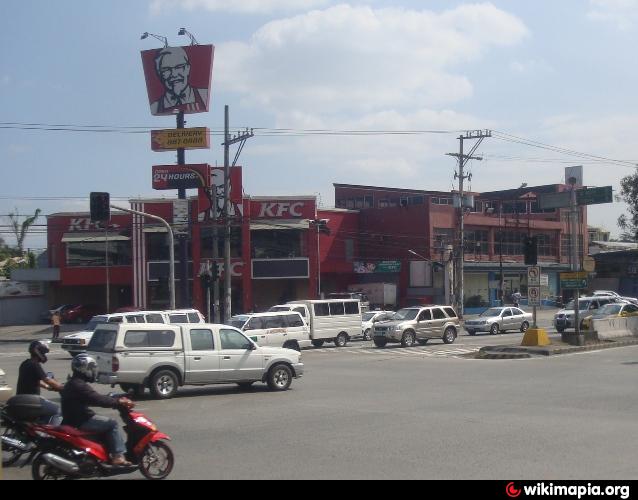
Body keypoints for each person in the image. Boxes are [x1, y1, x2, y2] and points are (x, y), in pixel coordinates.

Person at [60, 354, 135, 466]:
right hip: (81, 420)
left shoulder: (73, 383)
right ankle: (117, 456)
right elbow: (98, 399)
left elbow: (92, 398)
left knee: (102, 421)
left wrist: (113, 399)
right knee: (112, 424)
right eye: (90, 368)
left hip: (73, 418)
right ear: (83, 369)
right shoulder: (80, 385)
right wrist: (118, 402)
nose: (92, 371)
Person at [150, 46, 209, 115]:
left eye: (179, 67)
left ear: (188, 68)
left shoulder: (204, 95)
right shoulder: (155, 107)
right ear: (159, 74)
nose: (174, 74)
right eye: (166, 70)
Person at [16, 341, 64, 424]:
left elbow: (33, 381)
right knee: (57, 411)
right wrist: (61, 387)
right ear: (38, 351)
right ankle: (50, 436)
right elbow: (47, 379)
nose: (45, 355)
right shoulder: (35, 365)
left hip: (22, 399)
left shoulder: (25, 363)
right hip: (31, 401)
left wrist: (47, 387)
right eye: (44, 352)